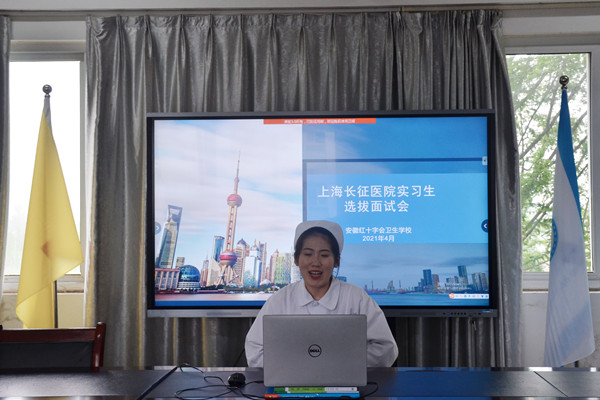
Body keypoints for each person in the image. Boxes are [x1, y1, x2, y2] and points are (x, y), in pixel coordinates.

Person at [245, 220, 398, 368]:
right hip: (290, 384)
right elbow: (255, 349)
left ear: (336, 261)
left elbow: (386, 349)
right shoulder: (279, 300)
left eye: (324, 255)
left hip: (345, 383)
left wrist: (342, 365)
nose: (316, 262)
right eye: (308, 254)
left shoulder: (357, 298)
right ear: (296, 260)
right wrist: (295, 368)